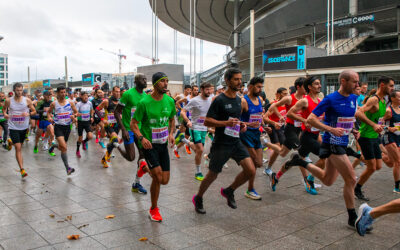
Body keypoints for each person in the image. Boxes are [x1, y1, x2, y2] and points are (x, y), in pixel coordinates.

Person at [282, 70, 365, 229]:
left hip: (342, 141)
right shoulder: (330, 99)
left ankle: (300, 161)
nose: (357, 85)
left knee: (328, 180)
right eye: (354, 82)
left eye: (358, 81)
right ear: (343, 81)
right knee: (351, 179)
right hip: (332, 143)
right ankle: (352, 217)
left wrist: (352, 128)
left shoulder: (354, 98)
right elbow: (312, 119)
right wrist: (330, 129)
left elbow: (350, 115)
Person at [192, 68, 256, 214]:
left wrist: (242, 125)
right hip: (221, 143)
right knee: (212, 175)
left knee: (251, 170)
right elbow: (207, 121)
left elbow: (236, 120)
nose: (239, 82)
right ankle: (199, 197)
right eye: (236, 79)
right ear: (227, 81)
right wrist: (225, 124)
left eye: (240, 79)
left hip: (236, 141)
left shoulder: (240, 100)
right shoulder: (219, 99)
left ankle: (229, 190)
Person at [131, 72, 176, 222]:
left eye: (167, 81)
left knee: (165, 180)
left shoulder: (170, 101)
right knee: (157, 177)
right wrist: (141, 138)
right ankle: (154, 208)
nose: (166, 84)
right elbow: (133, 124)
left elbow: (172, 120)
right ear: (156, 83)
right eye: (163, 81)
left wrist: (171, 134)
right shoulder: (144, 102)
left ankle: (144, 167)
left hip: (162, 144)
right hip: (148, 144)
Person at [355, 76, 394, 201]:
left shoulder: (383, 101)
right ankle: (357, 188)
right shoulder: (374, 100)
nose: (392, 89)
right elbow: (358, 112)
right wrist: (373, 125)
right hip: (366, 137)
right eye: (391, 86)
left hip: (374, 137)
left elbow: (378, 120)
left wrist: (383, 127)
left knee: (378, 166)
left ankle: (360, 156)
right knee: (371, 167)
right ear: (382, 85)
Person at [265, 77, 308, 190]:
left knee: (283, 153)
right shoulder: (289, 99)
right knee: (301, 152)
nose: (307, 88)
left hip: (299, 129)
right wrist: (279, 118)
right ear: (298, 87)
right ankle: (307, 182)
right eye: (305, 86)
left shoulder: (305, 99)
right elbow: (272, 107)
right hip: (289, 129)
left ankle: (276, 177)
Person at [114, 73, 149, 194]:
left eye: (145, 79)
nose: (145, 81)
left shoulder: (145, 96)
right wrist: (123, 129)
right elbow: (116, 112)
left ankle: (136, 183)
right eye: (142, 79)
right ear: (136, 81)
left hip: (139, 131)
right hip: (128, 129)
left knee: (143, 156)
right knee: (131, 157)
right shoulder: (128, 94)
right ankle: (117, 145)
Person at [180, 82, 213, 181]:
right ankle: (198, 172)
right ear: (201, 90)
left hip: (204, 129)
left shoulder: (211, 100)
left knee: (198, 150)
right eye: (207, 89)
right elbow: (183, 111)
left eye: (210, 89)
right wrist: (188, 121)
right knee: (200, 150)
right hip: (195, 128)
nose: (209, 91)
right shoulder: (195, 100)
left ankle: (186, 141)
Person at [239, 76, 265, 200]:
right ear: (250, 87)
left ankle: (245, 168)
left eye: (261, 87)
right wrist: (248, 124)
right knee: (253, 162)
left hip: (256, 134)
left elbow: (260, 116)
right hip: (246, 134)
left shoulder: (260, 99)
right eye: (258, 87)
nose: (260, 89)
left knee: (259, 163)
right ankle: (250, 189)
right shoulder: (243, 101)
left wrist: (265, 126)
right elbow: (235, 119)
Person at [4, 83, 36, 177]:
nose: (19, 92)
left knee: (19, 147)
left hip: (24, 127)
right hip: (13, 127)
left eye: (21, 90)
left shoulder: (27, 100)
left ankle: (10, 143)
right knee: (18, 148)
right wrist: (5, 114)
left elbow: (34, 111)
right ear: (14, 90)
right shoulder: (8, 101)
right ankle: (22, 169)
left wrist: (28, 114)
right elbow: (4, 109)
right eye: (17, 90)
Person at [47, 86, 78, 175]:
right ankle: (67, 168)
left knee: (62, 147)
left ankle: (54, 146)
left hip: (68, 127)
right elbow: (49, 112)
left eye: (65, 92)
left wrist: (74, 116)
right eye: (61, 92)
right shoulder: (54, 104)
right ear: (57, 93)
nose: (63, 94)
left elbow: (76, 112)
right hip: (58, 127)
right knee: (64, 147)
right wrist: (49, 118)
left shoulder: (70, 103)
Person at [96, 86, 121, 168]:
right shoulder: (107, 101)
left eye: (119, 92)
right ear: (112, 92)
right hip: (109, 125)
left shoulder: (120, 101)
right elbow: (96, 110)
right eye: (116, 92)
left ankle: (104, 159)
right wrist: (103, 119)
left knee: (113, 144)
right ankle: (106, 156)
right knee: (115, 140)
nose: (118, 93)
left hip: (117, 125)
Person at [382, 90, 400, 193]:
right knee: (398, 162)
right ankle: (397, 187)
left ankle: (383, 156)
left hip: (398, 137)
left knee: (391, 163)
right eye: (399, 97)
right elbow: (379, 124)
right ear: (393, 98)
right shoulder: (388, 111)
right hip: (389, 137)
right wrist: (389, 128)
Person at [75, 92, 94, 158]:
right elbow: (76, 112)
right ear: (81, 97)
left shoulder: (90, 103)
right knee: (80, 138)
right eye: (84, 96)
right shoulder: (78, 104)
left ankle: (84, 141)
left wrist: (91, 117)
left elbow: (92, 110)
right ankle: (77, 150)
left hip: (87, 122)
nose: (86, 97)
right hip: (80, 122)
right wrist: (77, 114)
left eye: (87, 96)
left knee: (90, 136)